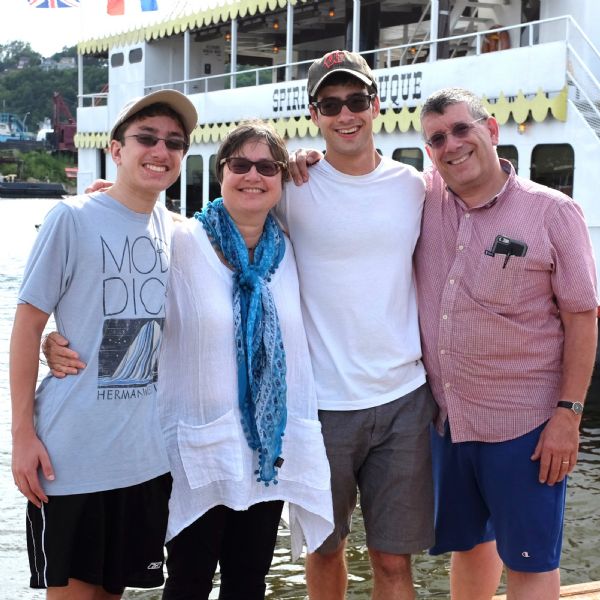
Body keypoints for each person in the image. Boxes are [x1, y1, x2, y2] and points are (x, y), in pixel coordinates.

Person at [43, 121, 334, 600]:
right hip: (196, 446)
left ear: (281, 180)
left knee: (249, 581)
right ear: (221, 172)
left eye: (266, 167)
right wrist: (58, 342)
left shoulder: (291, 248)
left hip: (266, 448)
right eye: (240, 165)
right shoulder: (182, 241)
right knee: (189, 581)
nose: (252, 176)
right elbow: (121, 306)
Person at [10, 89, 198, 599]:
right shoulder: (71, 219)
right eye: (147, 139)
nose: (161, 151)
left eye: (174, 143)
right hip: (71, 456)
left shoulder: (176, 229)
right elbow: (27, 326)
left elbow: (254, 204)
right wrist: (22, 436)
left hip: (144, 460)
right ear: (116, 149)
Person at [416, 88, 597, 599]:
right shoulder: (425, 198)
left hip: (527, 425)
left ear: (491, 130)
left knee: (530, 560)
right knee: (470, 549)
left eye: (460, 129)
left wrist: (568, 415)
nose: (451, 144)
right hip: (450, 421)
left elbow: (582, 318)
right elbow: (362, 174)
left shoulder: (552, 212)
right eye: (437, 138)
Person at [276, 50, 437, 600]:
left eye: (356, 101)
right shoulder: (290, 186)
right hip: (319, 402)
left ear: (375, 105)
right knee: (324, 551)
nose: (346, 115)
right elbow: (220, 227)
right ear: (315, 115)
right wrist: (126, 203)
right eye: (331, 104)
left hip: (403, 398)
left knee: (394, 560)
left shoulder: (414, 186)